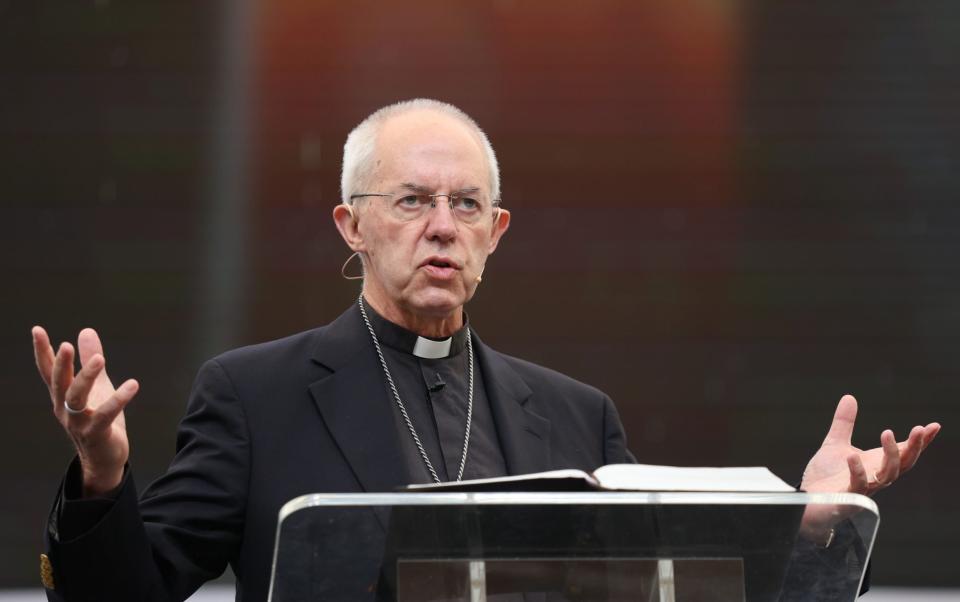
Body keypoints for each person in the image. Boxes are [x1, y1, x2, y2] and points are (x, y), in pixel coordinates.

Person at [32, 99, 940, 601]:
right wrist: (104, 475)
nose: (441, 228)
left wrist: (816, 527)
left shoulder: (580, 417)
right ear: (351, 225)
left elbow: (688, 595)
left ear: (496, 232)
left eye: (466, 205)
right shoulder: (253, 395)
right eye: (411, 201)